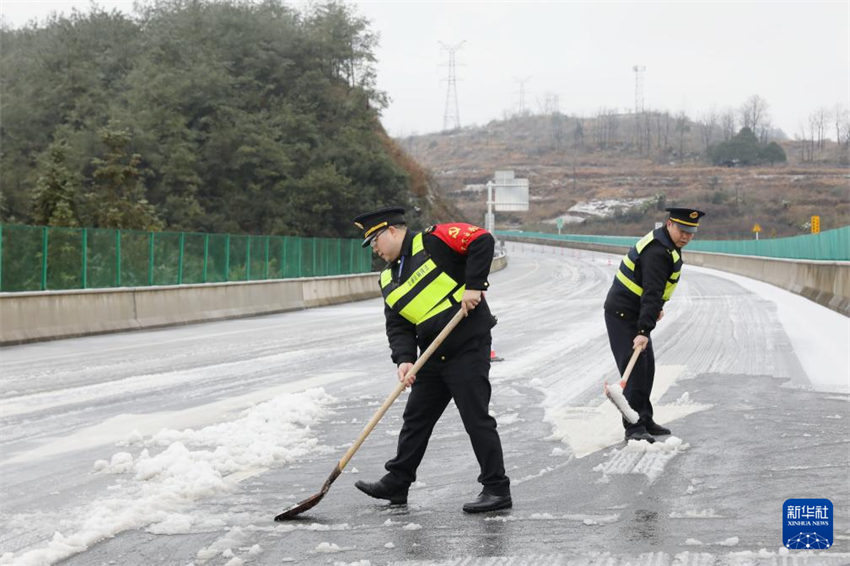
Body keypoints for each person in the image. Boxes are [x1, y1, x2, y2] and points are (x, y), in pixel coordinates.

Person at [351, 206, 511, 513]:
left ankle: (496, 488)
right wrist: (404, 360)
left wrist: (475, 285)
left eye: (375, 241)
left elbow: (481, 240)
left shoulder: (434, 240)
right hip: (431, 355)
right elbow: (397, 325)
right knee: (416, 420)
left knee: (475, 418)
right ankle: (398, 482)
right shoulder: (387, 278)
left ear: (393, 232)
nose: (374, 248)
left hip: (467, 346)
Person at [603, 207, 706, 443]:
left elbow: (653, 292)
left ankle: (645, 419)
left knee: (646, 368)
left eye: (691, 233)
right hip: (623, 314)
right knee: (635, 372)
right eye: (682, 231)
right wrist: (642, 331)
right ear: (669, 224)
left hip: (634, 311)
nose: (686, 237)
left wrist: (655, 310)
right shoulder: (658, 252)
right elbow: (651, 291)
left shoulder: (668, 245)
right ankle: (634, 428)